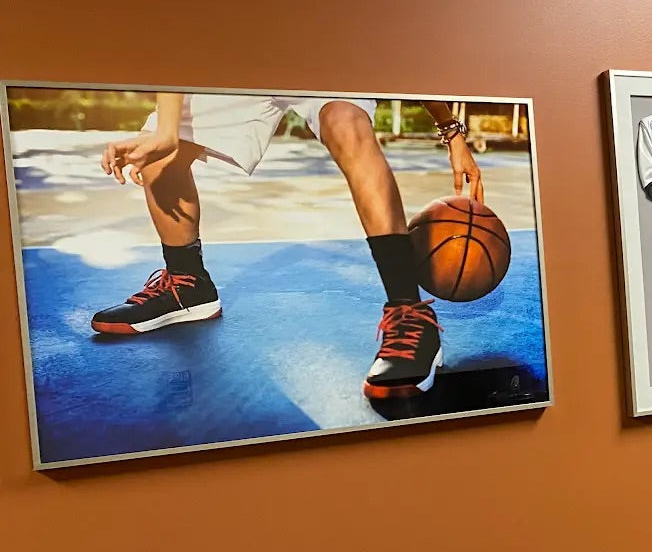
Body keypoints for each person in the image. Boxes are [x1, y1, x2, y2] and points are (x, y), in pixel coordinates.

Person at [94, 92, 483, 400]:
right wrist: (165, 130)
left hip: (322, 48)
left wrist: (450, 129)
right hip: (248, 53)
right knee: (160, 153)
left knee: (345, 123)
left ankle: (409, 312)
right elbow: (179, 43)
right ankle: (188, 285)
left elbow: (404, 50)